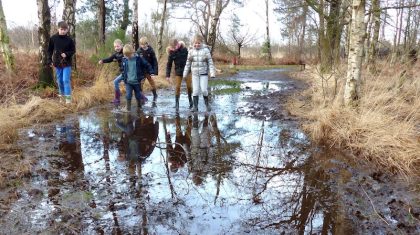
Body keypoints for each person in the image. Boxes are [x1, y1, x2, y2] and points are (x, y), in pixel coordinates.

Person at [183, 35, 216, 112]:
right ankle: (195, 107)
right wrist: (185, 73)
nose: (197, 44)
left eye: (199, 43)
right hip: (195, 74)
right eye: (195, 43)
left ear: (201, 43)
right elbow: (187, 64)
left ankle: (207, 105)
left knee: (204, 90)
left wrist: (212, 73)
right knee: (195, 91)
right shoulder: (191, 51)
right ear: (193, 43)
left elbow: (210, 63)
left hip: (203, 73)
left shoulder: (205, 50)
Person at [47, 21, 75, 104]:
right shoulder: (53, 38)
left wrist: (66, 54)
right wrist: (49, 60)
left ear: (67, 30)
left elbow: (73, 50)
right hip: (57, 63)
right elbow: (49, 51)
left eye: (65, 29)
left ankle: (68, 100)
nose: (63, 31)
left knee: (65, 80)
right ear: (58, 28)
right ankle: (62, 98)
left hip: (67, 63)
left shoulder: (69, 40)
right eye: (61, 29)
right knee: (59, 81)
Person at [121, 44, 154, 112]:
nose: (127, 57)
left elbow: (147, 64)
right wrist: (123, 78)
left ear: (132, 52)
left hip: (137, 81)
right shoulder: (125, 60)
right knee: (128, 95)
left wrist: (151, 72)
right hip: (128, 82)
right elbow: (123, 70)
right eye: (125, 56)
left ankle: (139, 106)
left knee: (138, 95)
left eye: (128, 55)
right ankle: (128, 108)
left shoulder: (139, 59)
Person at [166, 39, 193, 110]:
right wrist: (167, 75)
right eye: (173, 47)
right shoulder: (171, 53)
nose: (174, 48)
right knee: (177, 87)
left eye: (175, 47)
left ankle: (191, 102)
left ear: (178, 44)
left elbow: (191, 58)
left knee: (189, 87)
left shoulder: (184, 50)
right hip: (178, 72)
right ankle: (177, 104)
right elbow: (169, 65)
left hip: (187, 71)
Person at [98, 39, 125, 104]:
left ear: (122, 45)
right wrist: (103, 61)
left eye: (118, 46)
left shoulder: (125, 51)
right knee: (116, 82)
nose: (116, 48)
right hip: (123, 73)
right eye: (115, 47)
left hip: (129, 72)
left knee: (132, 86)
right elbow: (109, 59)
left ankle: (142, 98)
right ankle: (117, 99)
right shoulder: (116, 54)